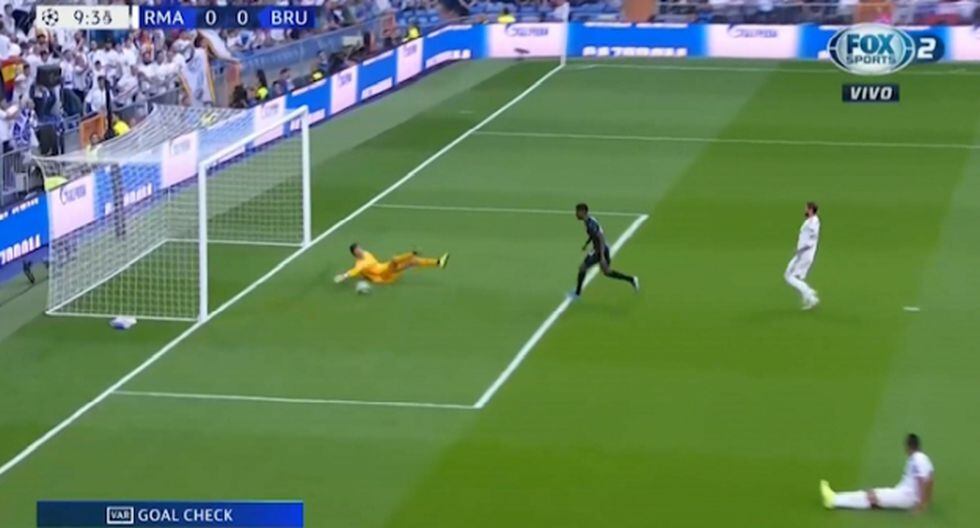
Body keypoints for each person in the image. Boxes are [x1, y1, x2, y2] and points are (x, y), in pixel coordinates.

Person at [821, 433, 934, 512]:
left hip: (906, 496)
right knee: (873, 496)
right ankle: (835, 497)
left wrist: (921, 504)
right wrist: (925, 502)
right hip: (903, 494)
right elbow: (930, 480)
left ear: (908, 446)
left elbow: (924, 480)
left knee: (871, 496)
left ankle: (833, 500)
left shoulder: (918, 458)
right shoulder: (922, 458)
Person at [571, 203, 639, 298]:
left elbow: (600, 237)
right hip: (601, 249)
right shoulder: (589, 221)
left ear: (583, 212)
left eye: (577, 211)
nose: (576, 214)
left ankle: (577, 293)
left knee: (582, 268)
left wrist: (602, 256)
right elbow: (594, 234)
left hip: (599, 250)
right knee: (607, 272)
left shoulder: (590, 224)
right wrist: (587, 244)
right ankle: (631, 279)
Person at [334, 243, 448, 285]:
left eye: (359, 248)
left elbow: (365, 272)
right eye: (357, 250)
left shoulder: (366, 253)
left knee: (413, 262)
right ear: (354, 254)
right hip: (383, 273)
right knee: (395, 260)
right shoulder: (360, 264)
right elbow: (354, 271)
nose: (360, 250)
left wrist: (366, 277)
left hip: (386, 270)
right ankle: (413, 252)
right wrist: (344, 276)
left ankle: (438, 262)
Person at [785, 201, 820, 310]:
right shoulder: (812, 221)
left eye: (806, 208)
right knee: (793, 276)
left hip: (804, 254)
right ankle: (809, 297)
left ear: (810, 210)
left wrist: (799, 250)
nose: (805, 210)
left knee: (789, 276)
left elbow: (810, 241)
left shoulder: (812, 224)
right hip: (803, 254)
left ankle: (810, 295)